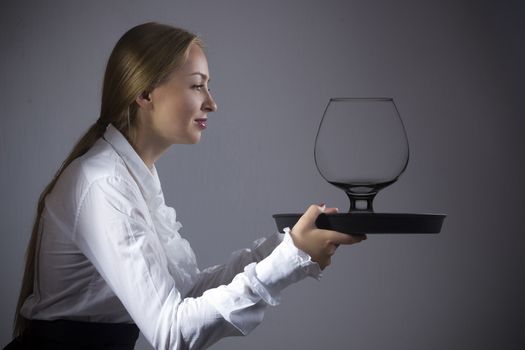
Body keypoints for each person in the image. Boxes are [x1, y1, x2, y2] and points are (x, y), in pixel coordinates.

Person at [4, 22, 366, 350]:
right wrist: (290, 258)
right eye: (197, 85)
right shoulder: (104, 184)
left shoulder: (129, 175)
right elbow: (172, 332)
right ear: (145, 94)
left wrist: (288, 247)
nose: (212, 102)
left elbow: (182, 295)